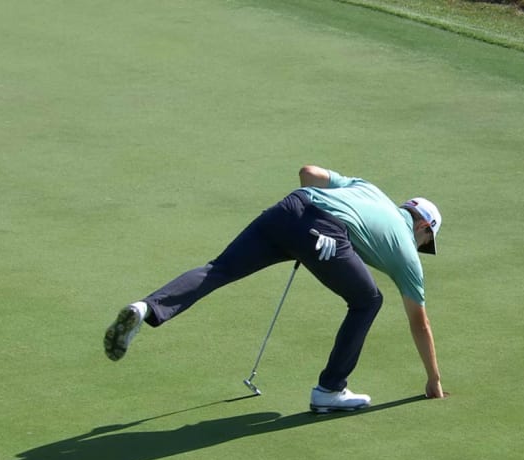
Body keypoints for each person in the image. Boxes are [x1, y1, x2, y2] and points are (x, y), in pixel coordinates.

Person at [104, 165, 445, 413]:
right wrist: (434, 381)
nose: (421, 247)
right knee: (368, 302)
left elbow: (308, 172)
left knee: (218, 269)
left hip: (290, 208)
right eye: (426, 240)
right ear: (423, 228)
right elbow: (420, 322)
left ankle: (146, 308)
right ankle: (329, 390)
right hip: (324, 231)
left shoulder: (371, 190)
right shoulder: (406, 254)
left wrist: (302, 235)